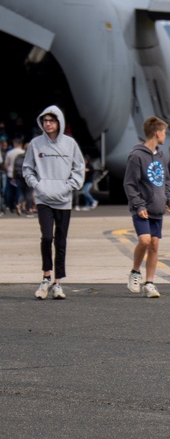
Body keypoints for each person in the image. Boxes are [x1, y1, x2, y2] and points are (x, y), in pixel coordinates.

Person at [21, 106, 85, 300]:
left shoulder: (70, 144)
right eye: (45, 120)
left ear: (59, 122)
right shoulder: (35, 143)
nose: (48, 124)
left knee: (61, 241)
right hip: (43, 199)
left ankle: (58, 282)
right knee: (47, 237)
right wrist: (38, 186)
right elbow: (27, 169)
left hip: (64, 199)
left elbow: (79, 168)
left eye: (52, 120)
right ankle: (46, 277)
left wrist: (69, 186)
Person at [124, 116, 170, 299]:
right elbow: (129, 184)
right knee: (145, 240)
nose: (165, 136)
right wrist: (138, 205)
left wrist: (169, 198)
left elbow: (166, 180)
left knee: (154, 245)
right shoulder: (137, 155)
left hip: (157, 207)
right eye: (164, 133)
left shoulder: (161, 155)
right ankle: (135, 272)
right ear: (157, 133)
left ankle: (150, 283)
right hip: (142, 208)